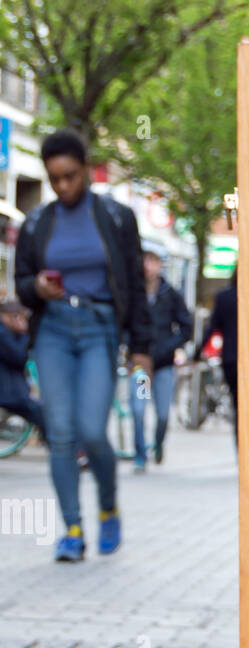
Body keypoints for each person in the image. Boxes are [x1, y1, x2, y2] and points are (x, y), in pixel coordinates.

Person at [15, 129, 152, 561]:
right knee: (61, 435)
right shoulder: (37, 222)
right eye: (54, 178)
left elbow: (132, 281)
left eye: (70, 176)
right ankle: (72, 529)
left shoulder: (115, 217)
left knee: (93, 432)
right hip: (54, 329)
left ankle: (108, 505)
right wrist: (36, 286)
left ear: (86, 171)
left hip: (100, 327)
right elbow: (21, 284)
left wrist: (141, 346)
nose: (62, 186)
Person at [131, 249, 192, 471]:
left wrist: (168, 347)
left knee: (163, 414)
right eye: (145, 260)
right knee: (138, 410)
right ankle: (140, 454)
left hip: (164, 364)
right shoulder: (134, 294)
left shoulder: (171, 294)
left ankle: (157, 443)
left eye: (153, 261)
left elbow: (186, 327)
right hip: (141, 365)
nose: (148, 266)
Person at [0, 299, 45, 440]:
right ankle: (64, 447)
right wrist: (24, 333)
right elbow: (19, 356)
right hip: (8, 393)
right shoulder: (3, 333)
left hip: (10, 390)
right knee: (42, 414)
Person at [201, 267, 237, 435]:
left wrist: (197, 352)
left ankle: (240, 446)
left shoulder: (224, 297)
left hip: (230, 358)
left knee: (238, 404)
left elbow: (212, 327)